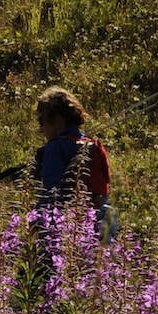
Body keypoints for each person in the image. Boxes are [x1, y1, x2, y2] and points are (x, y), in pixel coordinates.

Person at [28, 86, 112, 232]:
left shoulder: (56, 148)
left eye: (42, 121)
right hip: (100, 222)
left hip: (68, 227)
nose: (40, 129)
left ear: (58, 119)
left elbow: (51, 192)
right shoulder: (90, 144)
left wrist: (35, 222)